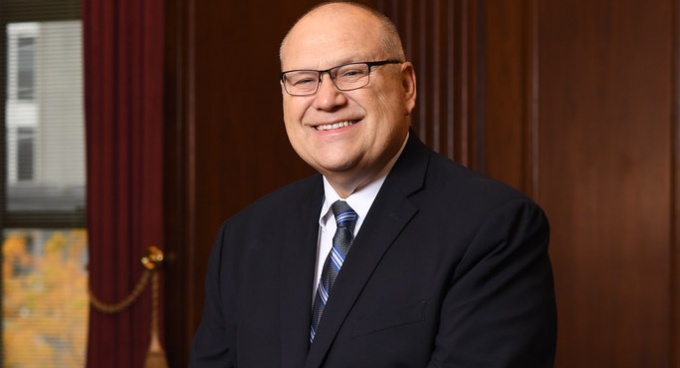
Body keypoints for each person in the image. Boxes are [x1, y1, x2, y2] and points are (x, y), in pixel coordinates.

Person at [189, 2, 557, 367]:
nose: (327, 99)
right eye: (303, 80)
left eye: (351, 73)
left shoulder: (494, 227)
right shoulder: (242, 239)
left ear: (406, 86)